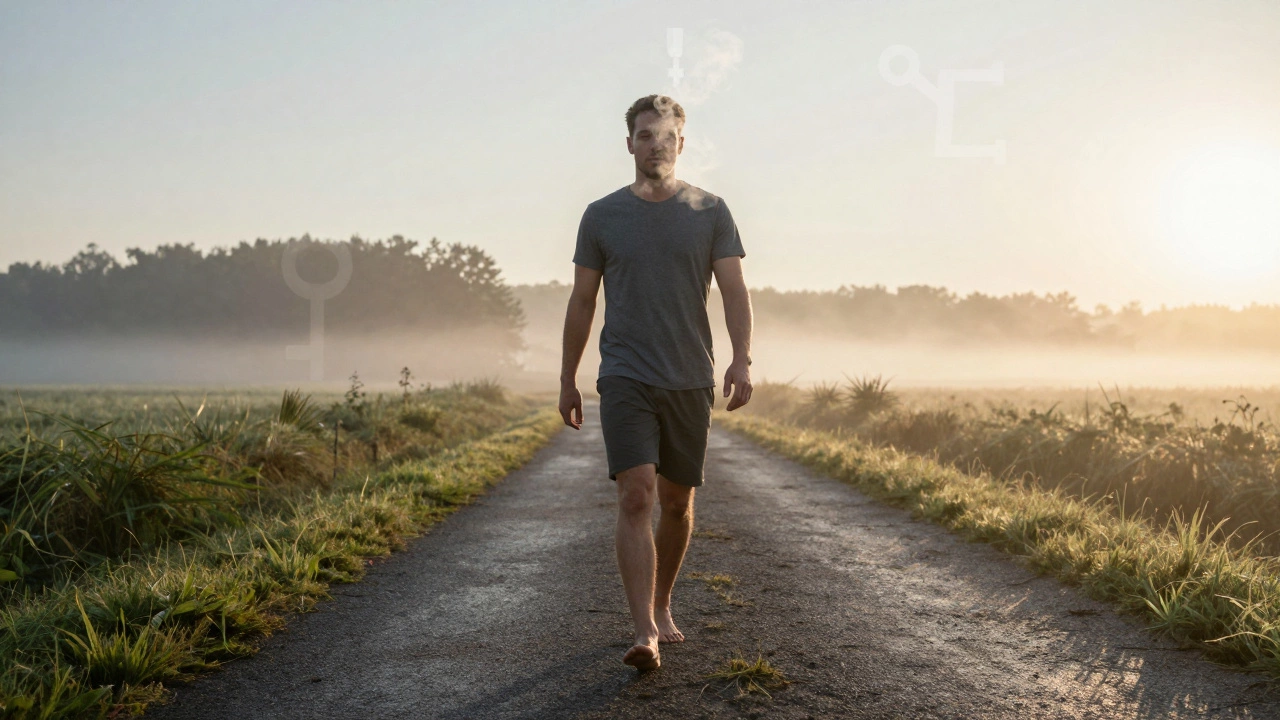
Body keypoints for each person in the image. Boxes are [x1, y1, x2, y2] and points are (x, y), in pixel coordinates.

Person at [558, 93, 754, 672]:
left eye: (665, 136)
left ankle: (663, 602)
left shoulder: (710, 211)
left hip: (689, 376)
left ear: (680, 143)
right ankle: (643, 630)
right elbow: (581, 300)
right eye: (644, 136)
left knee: (676, 501)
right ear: (630, 144)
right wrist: (568, 378)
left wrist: (742, 359)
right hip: (624, 374)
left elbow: (735, 290)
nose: (655, 145)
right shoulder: (601, 215)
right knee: (636, 493)